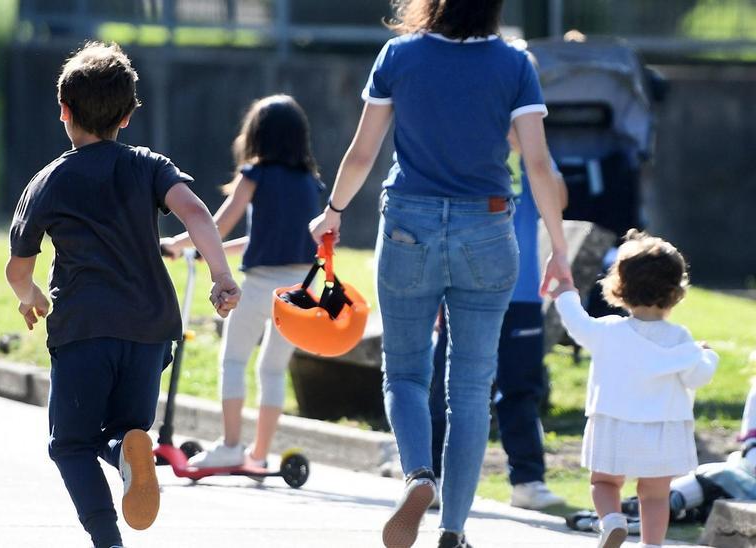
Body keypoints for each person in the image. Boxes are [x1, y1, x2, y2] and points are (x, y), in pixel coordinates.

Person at [307, 1, 573, 546]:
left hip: (409, 222)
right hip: (489, 228)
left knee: (405, 372)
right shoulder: (515, 63)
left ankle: (418, 476)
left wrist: (333, 211)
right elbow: (539, 164)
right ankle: (453, 531)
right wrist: (560, 250)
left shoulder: (399, 54)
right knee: (471, 387)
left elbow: (362, 154)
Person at [5, 42, 240, 548]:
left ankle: (108, 539)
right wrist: (221, 276)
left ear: (63, 111)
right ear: (130, 115)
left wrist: (30, 298)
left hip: (84, 329)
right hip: (151, 330)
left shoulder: (46, 182)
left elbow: (18, 267)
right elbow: (196, 212)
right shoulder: (148, 166)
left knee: (69, 444)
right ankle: (125, 450)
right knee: (124, 427)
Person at [160, 94, 323, 470]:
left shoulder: (256, 175)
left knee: (233, 359)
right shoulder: (311, 184)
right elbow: (266, 239)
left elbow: (216, 225)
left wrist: (177, 244)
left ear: (256, 137)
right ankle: (259, 454)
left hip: (260, 285)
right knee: (272, 369)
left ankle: (232, 445)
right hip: (300, 290)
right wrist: (209, 251)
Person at [430, 122, 569, 510]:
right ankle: (432, 476)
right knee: (447, 381)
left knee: (522, 386)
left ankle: (527, 480)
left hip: (522, 290)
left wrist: (529, 154)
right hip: (463, 285)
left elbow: (558, 200)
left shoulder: (533, 147)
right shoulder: (466, 141)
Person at [552, 230, 718, 548]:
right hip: (663, 429)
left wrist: (565, 291)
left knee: (604, 481)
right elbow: (697, 377)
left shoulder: (608, 332)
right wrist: (707, 354)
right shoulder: (680, 338)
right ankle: (651, 544)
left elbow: (576, 322)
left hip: (613, 423)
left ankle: (612, 521)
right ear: (676, 291)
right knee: (655, 495)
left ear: (619, 287)